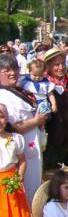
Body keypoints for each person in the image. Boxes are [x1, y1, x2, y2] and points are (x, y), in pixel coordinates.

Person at [0, 55, 46, 204]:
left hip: (33, 145)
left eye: (14, 69)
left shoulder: (21, 89)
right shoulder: (3, 96)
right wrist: (36, 121)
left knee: (35, 185)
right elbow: (11, 127)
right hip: (21, 149)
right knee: (27, 191)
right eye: (6, 70)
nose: (12, 73)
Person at [0, 104, 40, 217]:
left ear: (6, 118)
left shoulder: (15, 138)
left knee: (16, 215)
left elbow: (22, 161)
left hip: (12, 181)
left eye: (1, 116)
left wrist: (19, 175)